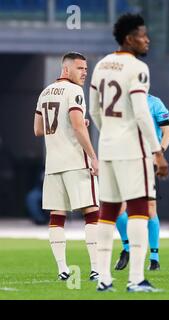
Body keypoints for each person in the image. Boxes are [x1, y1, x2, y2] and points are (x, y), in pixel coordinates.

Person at [89, 13, 169, 293]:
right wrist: (157, 151)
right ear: (128, 39)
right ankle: (136, 279)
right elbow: (141, 113)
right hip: (133, 150)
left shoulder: (100, 66)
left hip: (107, 146)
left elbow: (94, 111)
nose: (147, 39)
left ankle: (103, 279)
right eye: (142, 35)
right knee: (138, 209)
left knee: (108, 210)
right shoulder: (137, 68)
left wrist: (109, 131)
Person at [33, 52, 100, 282]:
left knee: (57, 216)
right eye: (80, 68)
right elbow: (77, 126)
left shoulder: (45, 92)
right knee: (91, 212)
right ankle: (95, 268)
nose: (84, 73)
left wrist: (75, 125)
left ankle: (62, 269)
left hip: (53, 164)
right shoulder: (75, 91)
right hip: (75, 162)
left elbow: (38, 130)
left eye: (85, 69)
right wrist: (93, 156)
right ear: (66, 69)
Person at [114, 94, 169, 271]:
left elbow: (167, 132)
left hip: (147, 161)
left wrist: (159, 154)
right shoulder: (120, 102)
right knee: (118, 208)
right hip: (124, 160)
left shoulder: (154, 102)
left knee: (150, 209)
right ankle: (127, 248)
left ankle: (154, 258)